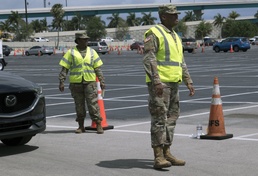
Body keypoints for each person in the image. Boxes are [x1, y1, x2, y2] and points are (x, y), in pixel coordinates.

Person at [143, 5, 195, 169]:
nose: (176, 17)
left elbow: (181, 61)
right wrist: (156, 80)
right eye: (173, 15)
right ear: (163, 16)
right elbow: (149, 58)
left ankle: (167, 152)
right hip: (160, 84)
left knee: (171, 118)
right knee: (159, 119)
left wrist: (188, 80)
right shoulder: (154, 33)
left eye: (176, 14)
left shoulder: (174, 36)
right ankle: (158, 156)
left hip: (174, 82)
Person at [58, 32, 105, 134]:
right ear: (78, 41)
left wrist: (102, 80)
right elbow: (64, 68)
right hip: (76, 83)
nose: (86, 41)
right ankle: (81, 126)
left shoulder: (92, 52)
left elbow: (97, 68)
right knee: (79, 105)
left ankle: (98, 124)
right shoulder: (71, 52)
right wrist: (61, 81)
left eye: (86, 39)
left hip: (90, 82)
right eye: (83, 39)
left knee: (93, 104)